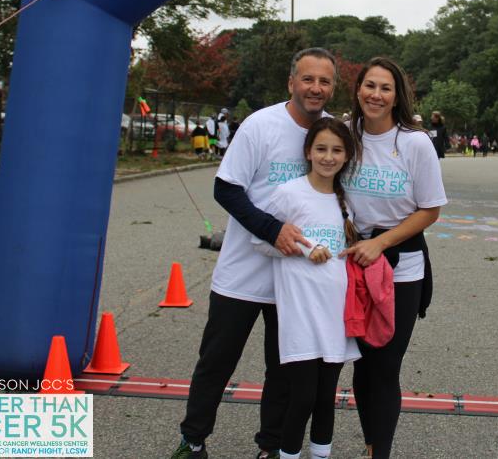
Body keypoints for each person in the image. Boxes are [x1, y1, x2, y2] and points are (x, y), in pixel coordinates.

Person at [170, 48, 338, 459]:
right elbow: (226, 189)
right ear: (291, 82)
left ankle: (270, 446)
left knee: (284, 369)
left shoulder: (333, 131)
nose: (315, 88)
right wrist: (272, 229)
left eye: (325, 81)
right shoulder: (261, 125)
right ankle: (193, 440)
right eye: (308, 79)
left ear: (333, 87)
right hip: (242, 273)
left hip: (296, 278)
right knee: (216, 361)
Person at [343, 57, 447, 459]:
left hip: (401, 268)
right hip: (354, 265)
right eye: (370, 85)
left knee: (385, 367)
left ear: (397, 96)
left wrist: (381, 243)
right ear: (358, 90)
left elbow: (430, 209)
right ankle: (372, 444)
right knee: (362, 365)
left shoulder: (415, 143)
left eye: (385, 88)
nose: (376, 94)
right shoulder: (346, 135)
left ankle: (379, 453)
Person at [252, 118, 362, 459]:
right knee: (302, 398)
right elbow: (260, 241)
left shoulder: (345, 202)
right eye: (321, 149)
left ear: (347, 156)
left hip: (334, 315)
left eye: (337, 150)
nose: (328, 157)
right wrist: (303, 249)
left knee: (326, 397)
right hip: (300, 315)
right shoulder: (289, 193)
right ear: (308, 152)